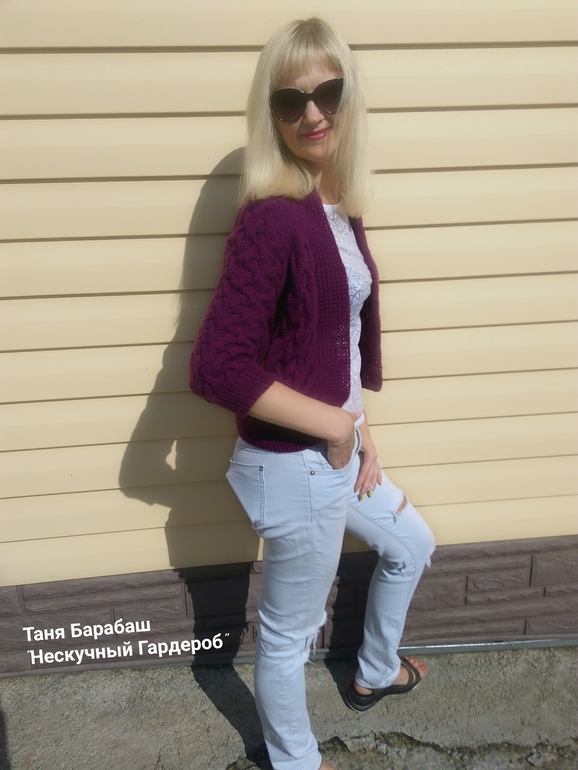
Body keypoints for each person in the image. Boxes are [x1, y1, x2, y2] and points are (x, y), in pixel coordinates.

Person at [190, 17, 435, 770]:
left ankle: (373, 670)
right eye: (289, 101)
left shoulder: (339, 207)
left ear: (347, 96)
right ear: (272, 116)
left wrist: (361, 427)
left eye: (326, 92)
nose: (312, 113)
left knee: (413, 544)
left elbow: (337, 339)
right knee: (289, 634)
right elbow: (217, 367)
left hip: (336, 450)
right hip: (292, 466)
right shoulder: (272, 220)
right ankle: (297, 761)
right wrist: (334, 425)